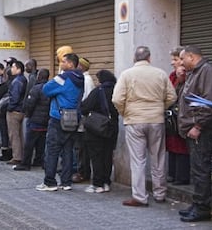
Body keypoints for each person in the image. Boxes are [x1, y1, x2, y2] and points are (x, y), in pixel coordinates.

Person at [112, 46, 177, 207]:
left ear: (134, 59)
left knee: (138, 160)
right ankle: (160, 194)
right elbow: (172, 96)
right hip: (156, 120)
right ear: (149, 58)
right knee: (158, 158)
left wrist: (125, 113)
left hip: (134, 120)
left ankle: (140, 197)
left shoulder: (127, 74)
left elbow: (117, 99)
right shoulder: (160, 73)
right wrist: (160, 108)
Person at [177, 45, 212, 222]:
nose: (181, 62)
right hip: (191, 129)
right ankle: (197, 202)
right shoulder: (193, 73)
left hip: (200, 130)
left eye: (183, 58)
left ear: (192, 57)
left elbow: (208, 102)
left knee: (201, 169)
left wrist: (198, 126)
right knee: (196, 169)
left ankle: (202, 208)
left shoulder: (206, 71)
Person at [36, 53, 84, 191]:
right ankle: (66, 182)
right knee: (68, 150)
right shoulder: (80, 79)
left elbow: (46, 89)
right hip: (73, 118)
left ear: (70, 64)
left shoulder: (63, 78)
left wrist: (58, 77)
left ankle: (49, 182)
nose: (61, 64)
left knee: (52, 150)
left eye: (63, 61)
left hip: (58, 117)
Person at [81, 70, 118, 193]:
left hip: (96, 128)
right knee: (107, 155)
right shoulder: (117, 90)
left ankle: (98, 184)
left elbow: (85, 107)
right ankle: (106, 182)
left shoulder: (98, 91)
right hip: (112, 127)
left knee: (96, 156)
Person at [14, 68, 50, 171]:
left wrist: (28, 114)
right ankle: (39, 160)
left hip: (35, 120)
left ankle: (26, 163)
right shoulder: (50, 88)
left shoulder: (36, 89)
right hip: (46, 121)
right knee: (41, 143)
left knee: (29, 143)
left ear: (39, 76)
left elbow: (30, 104)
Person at [166, 47, 190, 185]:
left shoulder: (189, 75)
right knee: (172, 145)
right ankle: (172, 173)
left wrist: (181, 79)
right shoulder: (172, 75)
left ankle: (182, 176)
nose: (173, 63)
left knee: (181, 146)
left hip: (182, 116)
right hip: (172, 117)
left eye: (175, 60)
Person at [73, 57, 95, 184]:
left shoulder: (86, 80)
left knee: (82, 148)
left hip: (83, 118)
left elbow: (84, 99)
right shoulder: (86, 79)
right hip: (83, 117)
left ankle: (83, 173)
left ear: (81, 66)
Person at [6, 60, 28, 165]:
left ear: (19, 69)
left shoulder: (17, 81)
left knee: (14, 134)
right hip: (21, 109)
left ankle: (17, 156)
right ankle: (21, 155)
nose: (11, 69)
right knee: (19, 135)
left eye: (13, 67)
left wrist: (10, 107)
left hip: (15, 111)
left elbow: (15, 97)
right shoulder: (23, 79)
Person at [0, 67, 15, 161]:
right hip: (13, 110)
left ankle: (5, 152)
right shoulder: (17, 83)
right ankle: (12, 152)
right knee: (12, 132)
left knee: (4, 132)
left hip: (3, 111)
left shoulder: (5, 85)